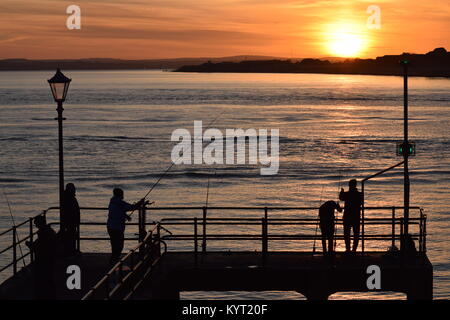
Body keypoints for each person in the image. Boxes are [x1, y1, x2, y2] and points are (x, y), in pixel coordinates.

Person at [107, 188, 145, 266]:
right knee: (119, 246)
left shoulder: (112, 201)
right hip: (117, 227)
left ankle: (113, 261)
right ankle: (114, 263)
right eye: (122, 193)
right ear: (120, 194)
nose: (123, 195)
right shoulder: (120, 203)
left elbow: (117, 211)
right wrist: (140, 203)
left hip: (110, 226)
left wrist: (125, 216)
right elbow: (131, 207)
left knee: (114, 245)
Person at [26, 215, 57, 299]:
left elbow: (38, 248)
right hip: (50, 260)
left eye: (36, 224)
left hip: (43, 262)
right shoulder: (50, 231)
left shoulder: (43, 234)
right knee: (49, 280)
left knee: (41, 281)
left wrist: (30, 245)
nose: (36, 226)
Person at [339, 179, 363, 252]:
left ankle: (348, 248)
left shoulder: (347, 194)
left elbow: (341, 198)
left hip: (347, 216)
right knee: (356, 234)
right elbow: (361, 203)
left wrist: (341, 192)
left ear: (349, 185)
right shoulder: (359, 194)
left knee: (346, 234)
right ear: (355, 185)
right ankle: (354, 249)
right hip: (356, 216)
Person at [61, 183, 80, 256]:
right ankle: (71, 251)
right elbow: (72, 210)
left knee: (71, 236)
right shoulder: (70, 198)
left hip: (71, 221)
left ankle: (72, 250)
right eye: (73, 188)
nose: (75, 190)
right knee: (71, 237)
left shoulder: (67, 197)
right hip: (71, 221)